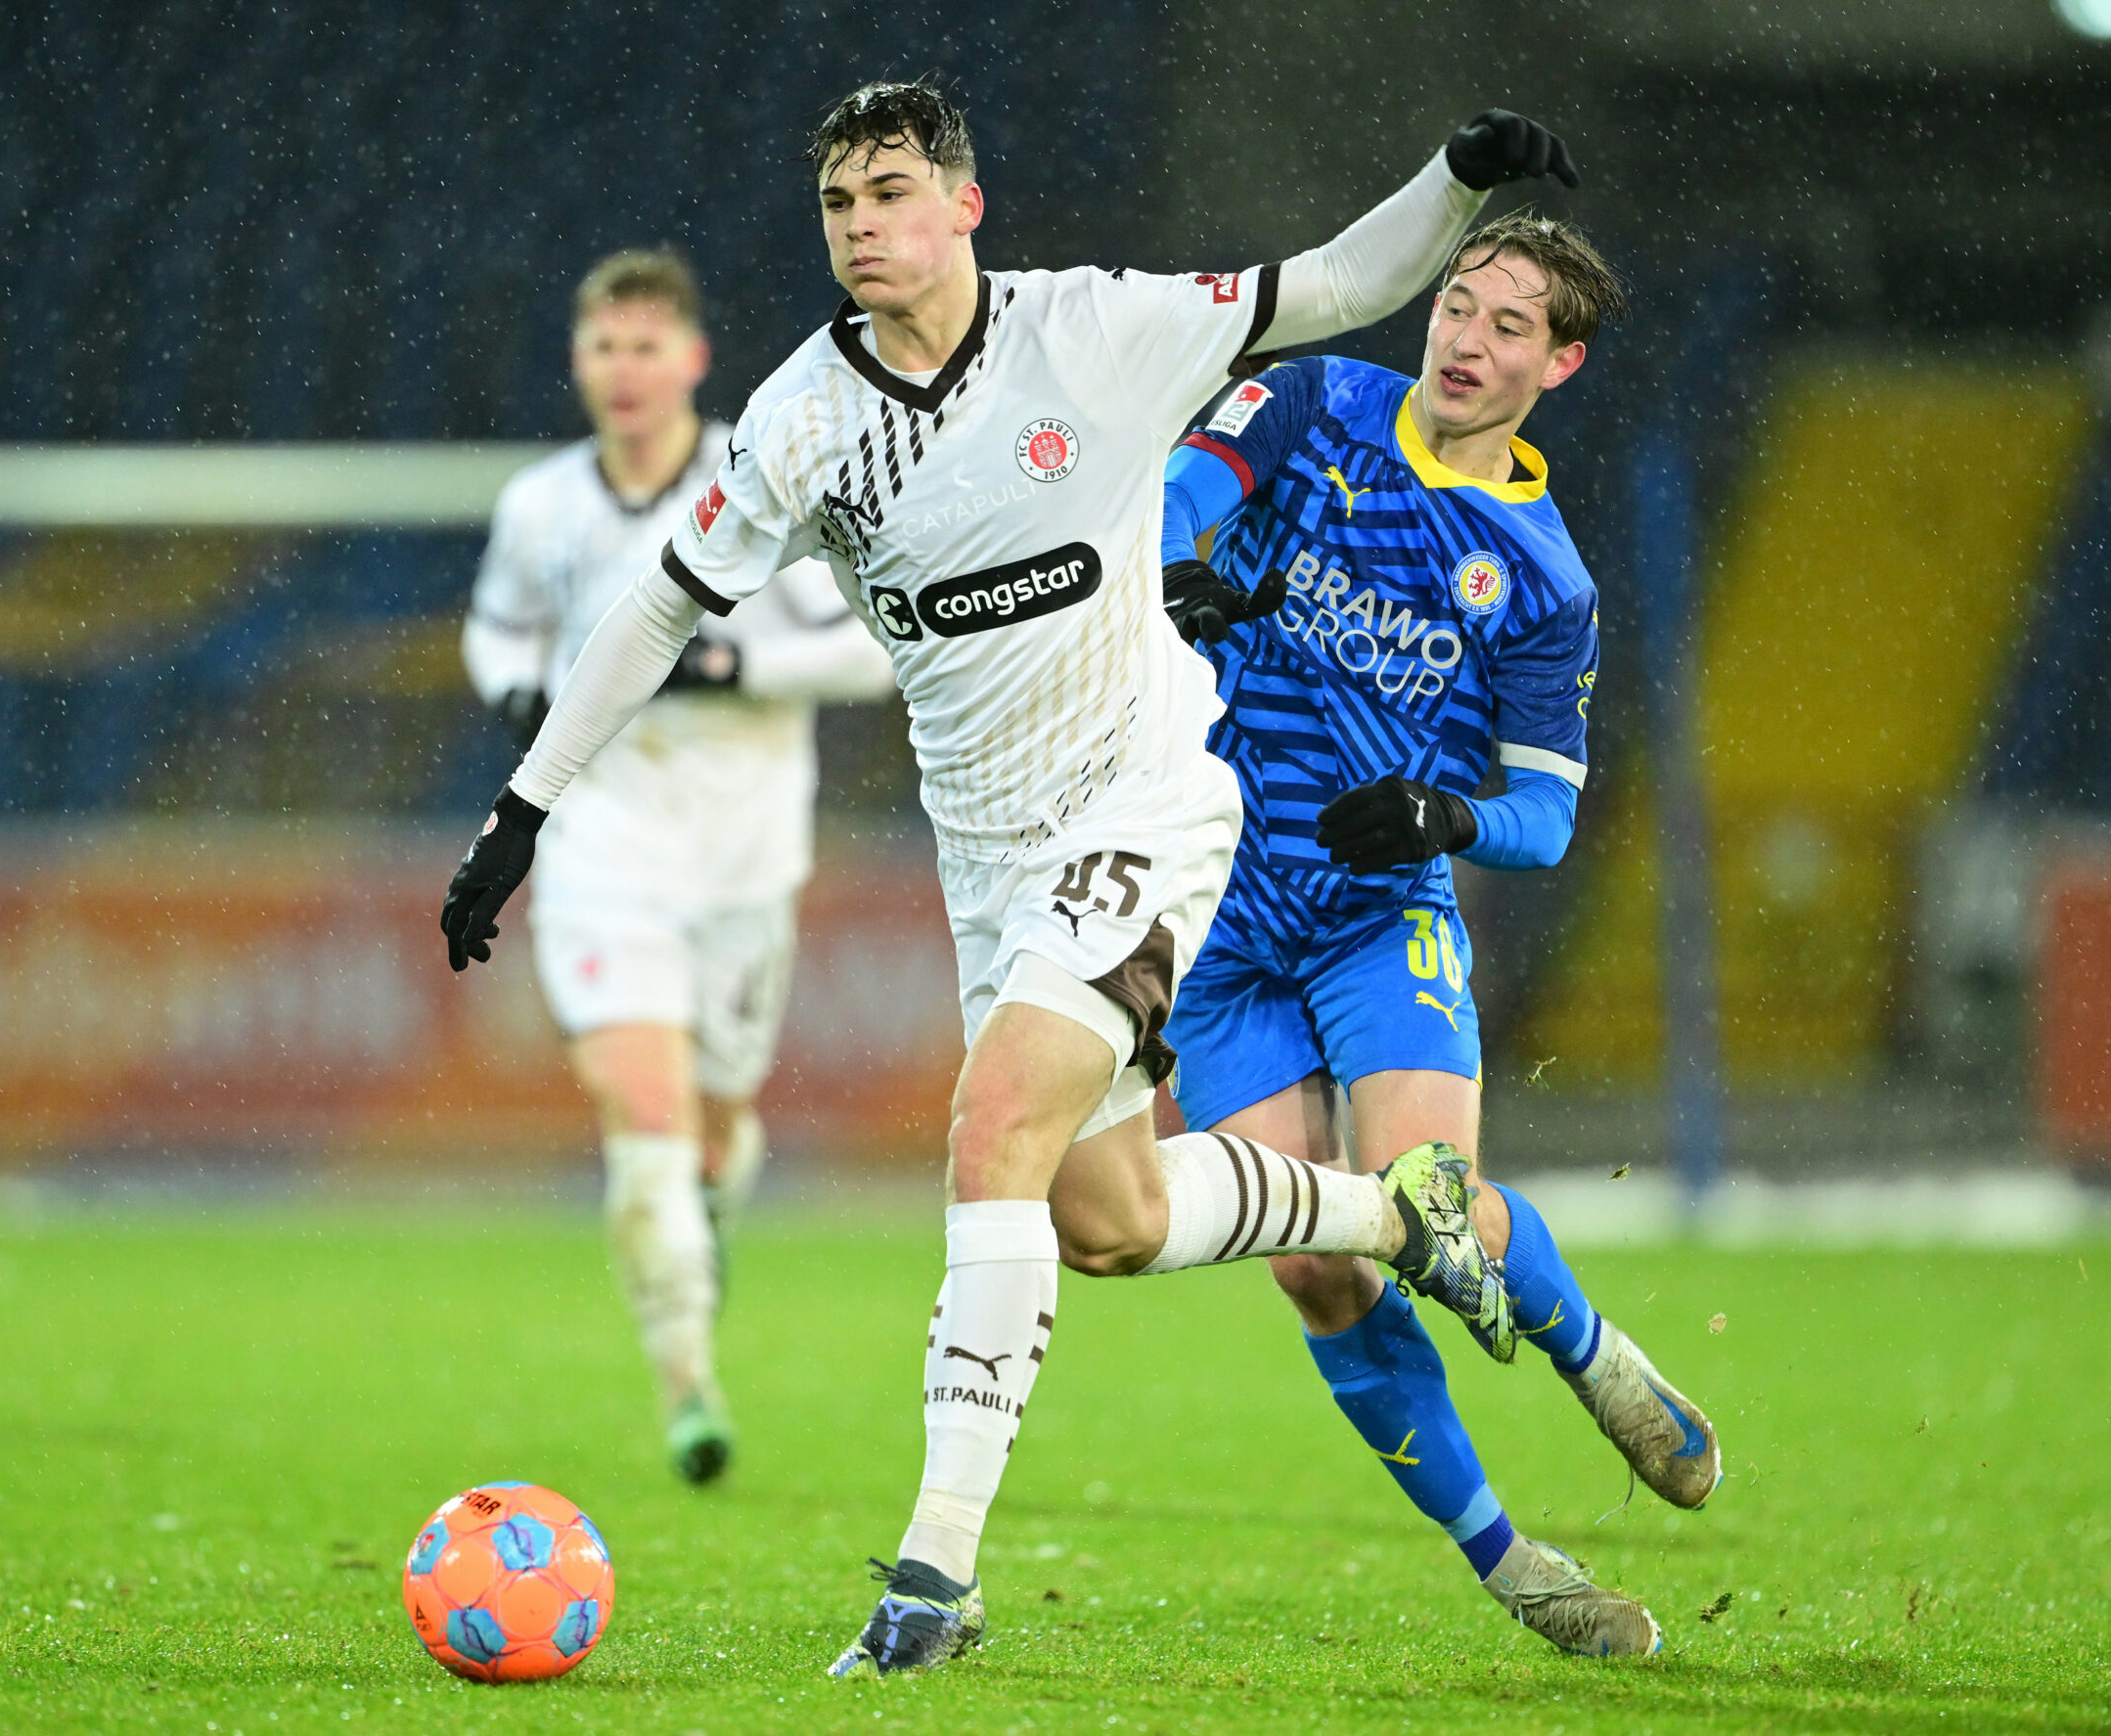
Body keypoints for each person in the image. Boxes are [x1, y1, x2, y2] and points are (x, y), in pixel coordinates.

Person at [440, 79, 1583, 1679]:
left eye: (894, 195)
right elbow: (652, 606)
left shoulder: (1098, 331)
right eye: (840, 206)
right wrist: (522, 812)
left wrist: (1454, 177)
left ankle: (933, 1583)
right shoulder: (802, 420)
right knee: (1105, 1218)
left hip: (1144, 803)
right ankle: (1393, 1216)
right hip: (988, 860)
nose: (863, 229)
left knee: (989, 1127)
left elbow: (1329, 282)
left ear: (965, 206)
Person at [1156, 211, 1721, 1657]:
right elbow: (1173, 492)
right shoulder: (1313, 400)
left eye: (1508, 324)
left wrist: (1439, 817)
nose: (1465, 338)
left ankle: (1599, 1359)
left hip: (1372, 917)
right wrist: (1182, 576)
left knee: (1430, 1197)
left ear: (1561, 362)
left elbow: (1542, 817)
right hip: (1215, 919)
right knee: (1314, 1262)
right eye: (1459, 303)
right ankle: (1514, 1561)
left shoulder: (1544, 576)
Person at [460, 246, 897, 1486]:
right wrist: (517, 697)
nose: (627, 368)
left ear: (695, 361)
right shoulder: (540, 507)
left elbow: (869, 652)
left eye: (650, 344)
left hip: (746, 864)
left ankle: (706, 1214)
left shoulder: (759, 486)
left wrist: (731, 668)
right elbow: (496, 627)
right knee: (643, 1124)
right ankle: (689, 1384)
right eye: (606, 344)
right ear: (580, 362)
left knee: (712, 1133)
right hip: (602, 853)